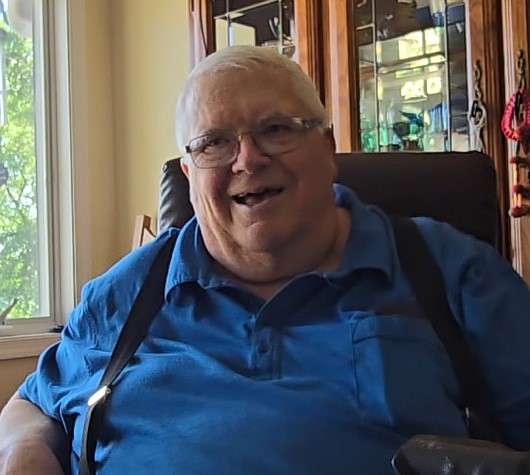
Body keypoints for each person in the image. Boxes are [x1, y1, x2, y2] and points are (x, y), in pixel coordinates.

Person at [1, 45, 530, 475]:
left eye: (276, 129)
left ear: (328, 148)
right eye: (213, 143)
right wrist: (23, 455)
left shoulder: (450, 272)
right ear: (189, 174)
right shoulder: (125, 295)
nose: (247, 159)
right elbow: (33, 405)